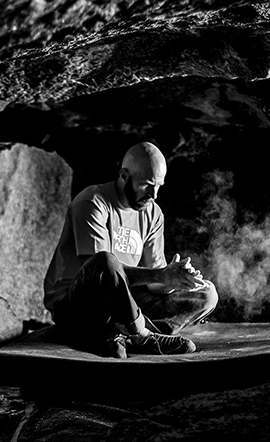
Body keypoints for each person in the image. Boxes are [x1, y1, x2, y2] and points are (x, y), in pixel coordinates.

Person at [43, 142, 219, 358]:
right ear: (124, 175)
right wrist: (160, 275)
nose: (154, 194)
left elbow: (155, 283)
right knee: (106, 261)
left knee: (206, 294)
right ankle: (140, 334)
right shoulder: (93, 202)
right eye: (146, 185)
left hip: (125, 303)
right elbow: (101, 275)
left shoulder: (152, 213)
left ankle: (119, 333)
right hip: (78, 303)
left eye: (159, 186)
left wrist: (175, 279)